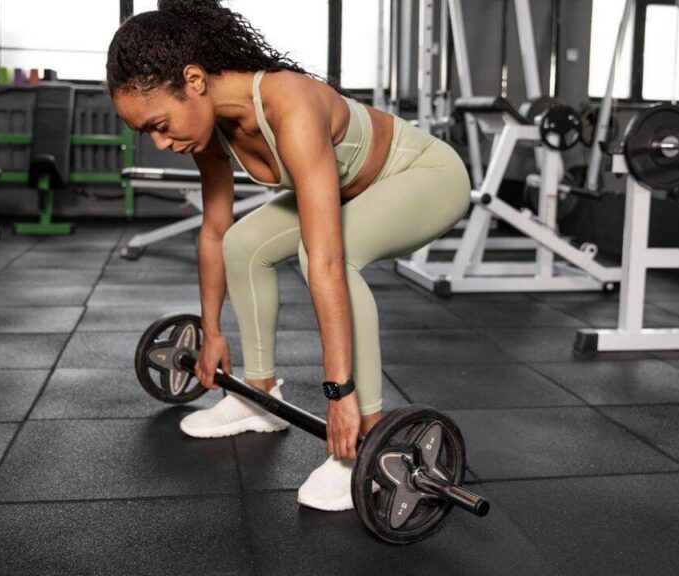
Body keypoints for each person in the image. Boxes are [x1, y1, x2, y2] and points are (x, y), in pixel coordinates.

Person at [107, 0, 470, 512]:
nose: (162, 142)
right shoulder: (207, 131)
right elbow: (215, 233)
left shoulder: (289, 104)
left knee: (330, 259)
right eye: (149, 134)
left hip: (425, 177)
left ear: (193, 80)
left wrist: (337, 393)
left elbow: (324, 260)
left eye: (160, 125)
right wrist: (212, 334)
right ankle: (259, 398)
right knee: (243, 242)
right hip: (354, 190)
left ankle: (363, 441)